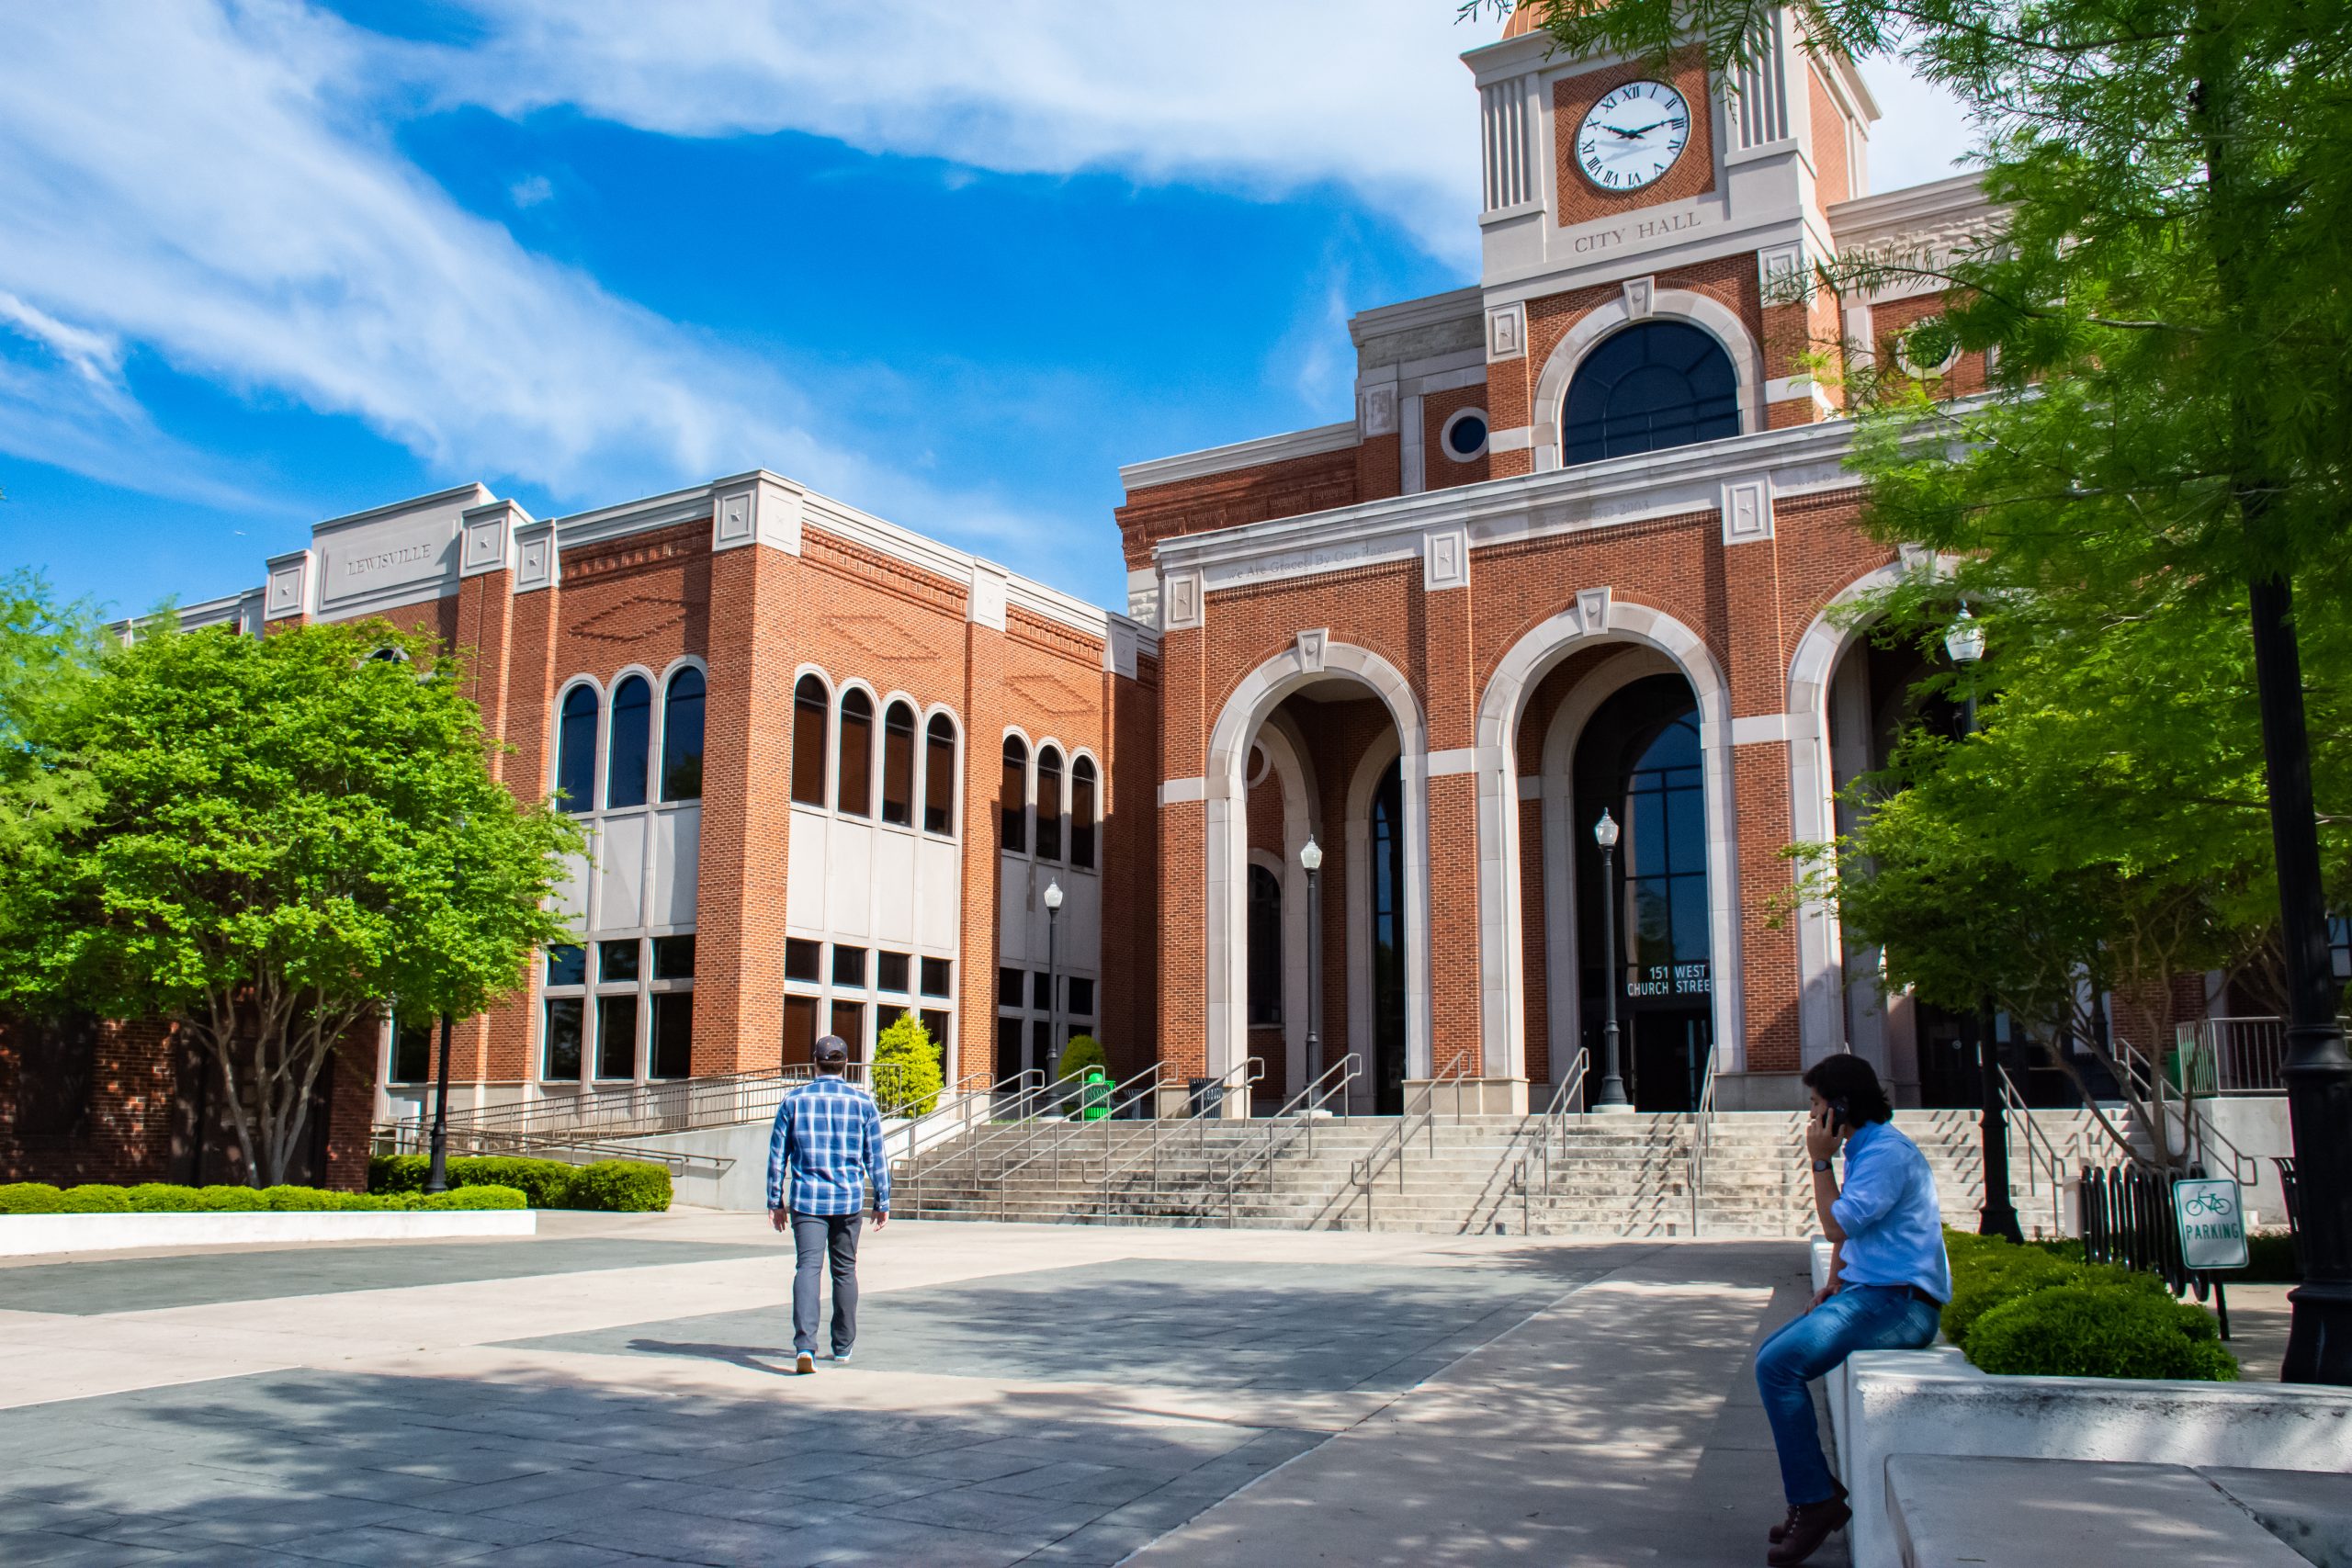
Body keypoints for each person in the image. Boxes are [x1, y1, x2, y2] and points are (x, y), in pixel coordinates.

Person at [1754, 1054, 1950, 1566]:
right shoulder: (1864, 1148)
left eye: (1817, 1104)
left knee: (1778, 1366)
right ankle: (1812, 1496)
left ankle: (1816, 1502)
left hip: (1901, 1305)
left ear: (1841, 1107)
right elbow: (1856, 1233)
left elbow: (1838, 1225)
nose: (1811, 1115)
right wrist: (1835, 1281)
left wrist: (1818, 1160)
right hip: (1870, 1294)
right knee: (1772, 1356)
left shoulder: (1885, 1153)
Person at [766, 1034, 889, 1375]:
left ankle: (805, 1345)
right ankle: (843, 1346)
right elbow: (875, 1155)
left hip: (807, 1199)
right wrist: (883, 1198)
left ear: (815, 1062)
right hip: (848, 1198)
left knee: (807, 1268)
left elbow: (778, 1156)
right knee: (845, 1270)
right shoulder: (862, 1103)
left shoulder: (794, 1100)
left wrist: (775, 1200)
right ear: (846, 1064)